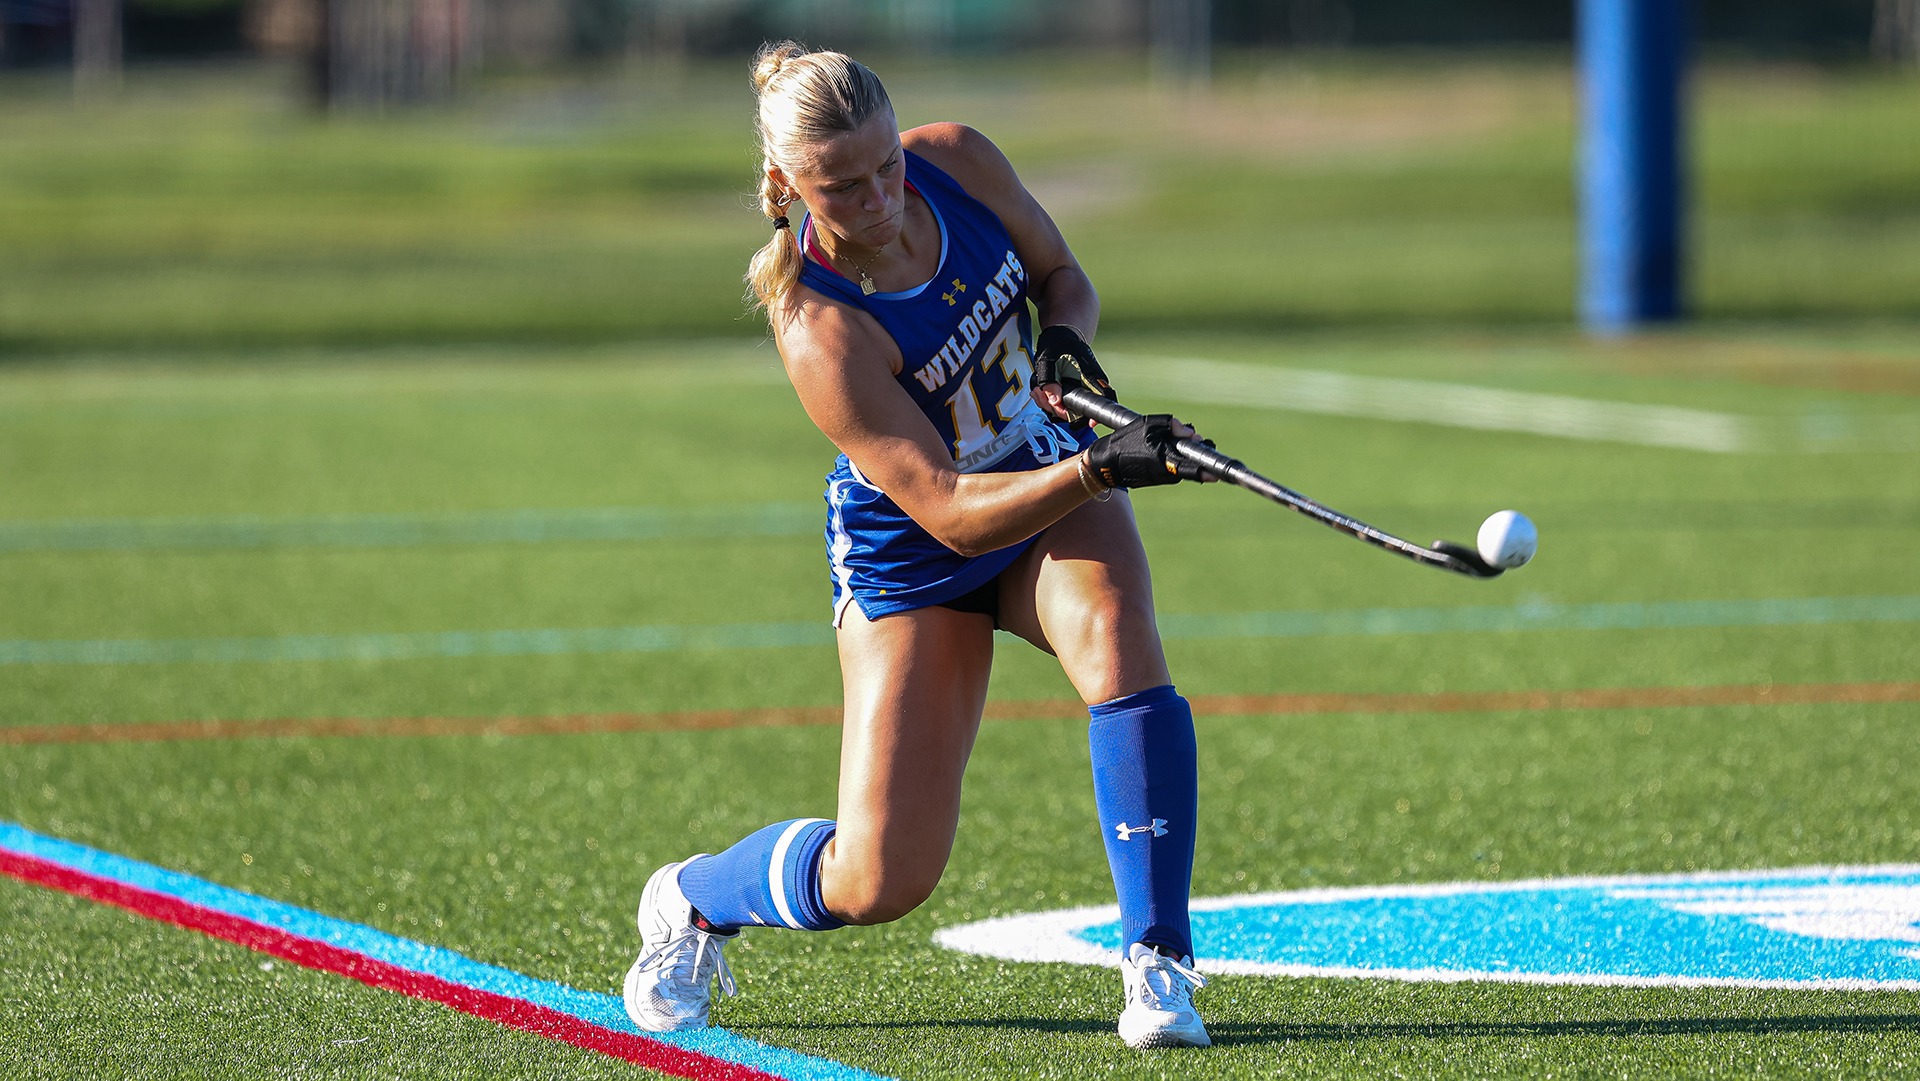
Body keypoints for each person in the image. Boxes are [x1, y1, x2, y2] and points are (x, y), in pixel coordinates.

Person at [623, 41, 1214, 1051]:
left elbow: (1062, 274)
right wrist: (1103, 467)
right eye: (841, 187)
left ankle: (1159, 965)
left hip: (1040, 472)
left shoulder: (962, 161)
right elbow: (944, 508)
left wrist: (1068, 346)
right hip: (919, 554)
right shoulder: (818, 325)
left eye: (886, 165)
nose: (880, 197)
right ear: (787, 185)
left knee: (1119, 639)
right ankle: (692, 898)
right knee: (879, 879)